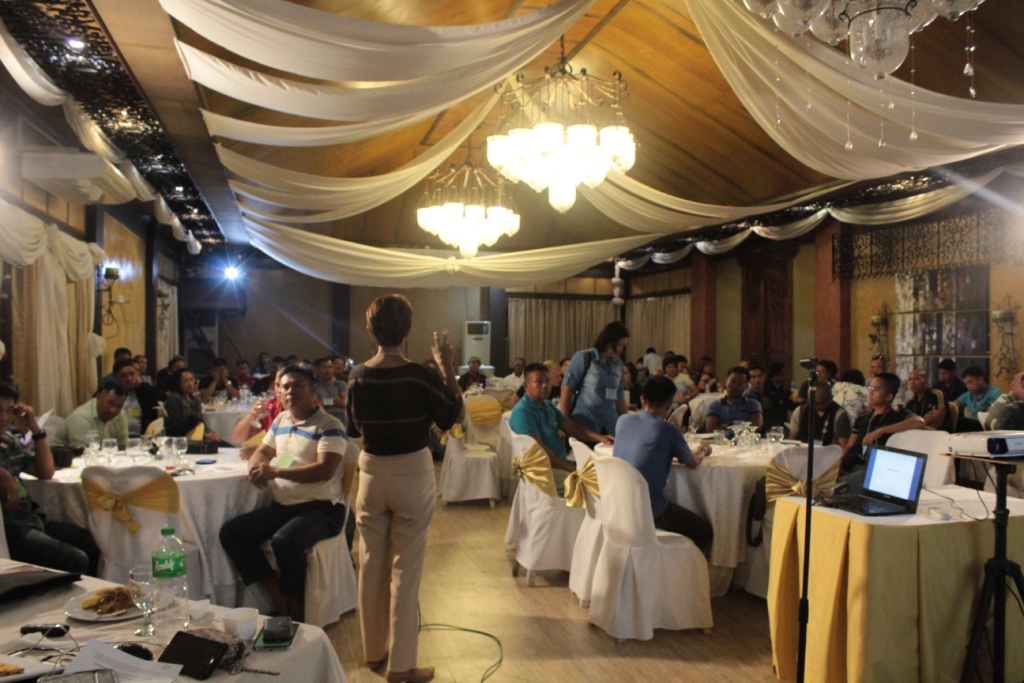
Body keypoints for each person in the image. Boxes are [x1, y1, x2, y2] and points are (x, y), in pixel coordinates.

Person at [346, 295, 464, 683]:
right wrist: (447, 367)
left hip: (370, 472)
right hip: (412, 472)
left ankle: (373, 652)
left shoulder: (357, 375)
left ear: (370, 331)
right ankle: (401, 666)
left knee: (370, 565)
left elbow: (352, 428)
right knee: (405, 571)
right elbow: (453, 416)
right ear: (408, 330)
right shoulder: (419, 375)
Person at [219, 364, 346, 622]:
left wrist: (275, 472)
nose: (290, 391)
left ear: (312, 390)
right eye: (285, 386)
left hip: (321, 508)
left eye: (298, 386)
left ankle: (296, 605)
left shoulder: (328, 425)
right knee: (232, 533)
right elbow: (263, 451)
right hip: (284, 505)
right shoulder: (281, 421)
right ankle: (277, 593)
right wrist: (256, 467)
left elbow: (325, 470)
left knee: (285, 541)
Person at [0, 382, 100, 575]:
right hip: (9, 529)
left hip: (31, 518)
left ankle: (98, 593)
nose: (4, 417)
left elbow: (46, 472)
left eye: (9, 411)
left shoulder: (8, 439)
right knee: (76, 560)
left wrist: (35, 429)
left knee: (95, 543)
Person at [613, 376, 713, 553]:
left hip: (618, 504)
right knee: (705, 531)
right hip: (651, 511)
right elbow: (692, 463)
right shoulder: (668, 430)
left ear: (642, 399)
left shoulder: (623, 421)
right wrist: (703, 450)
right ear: (668, 405)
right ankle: (682, 567)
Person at [510, 363, 613, 494]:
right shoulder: (523, 412)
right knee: (596, 484)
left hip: (559, 462)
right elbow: (540, 453)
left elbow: (571, 427)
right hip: (543, 471)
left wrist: (601, 438)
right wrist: (573, 469)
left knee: (604, 473)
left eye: (547, 381)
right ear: (526, 386)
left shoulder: (546, 405)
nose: (545, 385)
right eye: (539, 382)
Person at [561, 321, 630, 440]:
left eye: (623, 346)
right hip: (585, 424)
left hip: (611, 426)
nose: (621, 350)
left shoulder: (618, 364)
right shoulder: (584, 357)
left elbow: (619, 398)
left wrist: (627, 424)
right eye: (619, 345)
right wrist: (565, 422)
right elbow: (566, 389)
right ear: (608, 341)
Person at [842, 372, 924, 472]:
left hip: (881, 467)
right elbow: (849, 446)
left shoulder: (898, 415)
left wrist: (881, 431)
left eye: (876, 389)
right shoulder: (863, 417)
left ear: (889, 396)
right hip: (856, 464)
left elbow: (919, 422)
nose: (871, 392)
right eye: (871, 388)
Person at [52, 382, 129, 448]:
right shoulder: (80, 418)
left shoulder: (120, 414)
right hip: (60, 458)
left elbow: (123, 446)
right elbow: (83, 453)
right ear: (98, 397)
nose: (113, 410)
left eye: (119, 406)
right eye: (110, 403)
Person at [787, 380, 851, 448]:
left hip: (829, 452)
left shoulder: (839, 415)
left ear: (830, 399)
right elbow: (792, 441)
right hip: (803, 451)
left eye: (818, 403)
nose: (813, 406)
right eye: (811, 402)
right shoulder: (800, 411)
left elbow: (844, 448)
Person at [163, 368, 220, 441]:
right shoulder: (174, 399)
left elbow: (201, 422)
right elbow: (176, 427)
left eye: (191, 380)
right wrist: (203, 435)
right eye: (185, 381)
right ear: (178, 383)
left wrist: (210, 433)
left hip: (199, 435)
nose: (190, 383)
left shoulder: (195, 400)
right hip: (183, 439)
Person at [705, 366, 763, 431]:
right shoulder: (715, 405)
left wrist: (725, 426)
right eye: (732, 381)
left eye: (740, 383)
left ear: (746, 386)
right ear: (726, 381)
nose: (735, 386)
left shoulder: (753, 404)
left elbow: (756, 427)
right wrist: (742, 426)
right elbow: (711, 429)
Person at [113, 358, 160, 437]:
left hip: (139, 437)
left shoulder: (142, 393)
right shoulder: (109, 394)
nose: (129, 378)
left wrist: (141, 384)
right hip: (114, 437)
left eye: (132, 374)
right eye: (124, 375)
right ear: (115, 378)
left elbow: (162, 397)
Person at [746, 363, 787, 431]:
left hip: (776, 428)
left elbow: (781, 415)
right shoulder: (747, 399)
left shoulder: (771, 396)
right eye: (753, 377)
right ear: (749, 380)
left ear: (764, 377)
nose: (757, 379)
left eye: (760, 376)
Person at [313, 356, 348, 424]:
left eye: (330, 367)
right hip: (322, 418)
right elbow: (316, 404)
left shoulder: (341, 384)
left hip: (341, 417)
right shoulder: (314, 387)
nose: (327, 370)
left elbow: (344, 402)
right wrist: (334, 401)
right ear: (318, 370)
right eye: (323, 367)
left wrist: (324, 401)